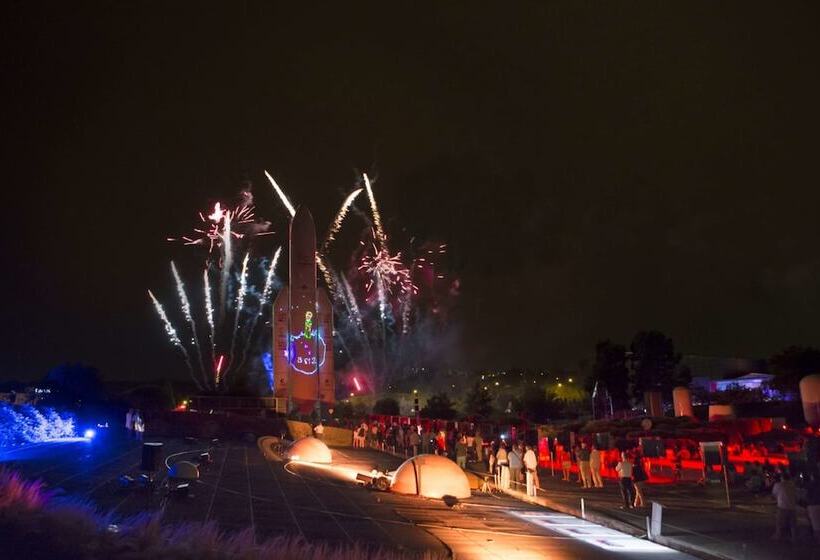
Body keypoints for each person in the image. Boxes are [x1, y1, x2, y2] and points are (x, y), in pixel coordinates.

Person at [771, 472, 798, 542]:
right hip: (792, 506)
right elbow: (797, 496)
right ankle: (794, 537)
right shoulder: (793, 485)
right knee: (792, 524)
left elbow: (774, 495)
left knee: (779, 523)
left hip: (782, 506)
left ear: (782, 478)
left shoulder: (778, 485)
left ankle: (778, 535)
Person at [805, 473, 820, 544]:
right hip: (814, 504)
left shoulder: (811, 485)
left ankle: (817, 540)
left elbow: (808, 495)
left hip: (813, 505)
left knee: (815, 525)